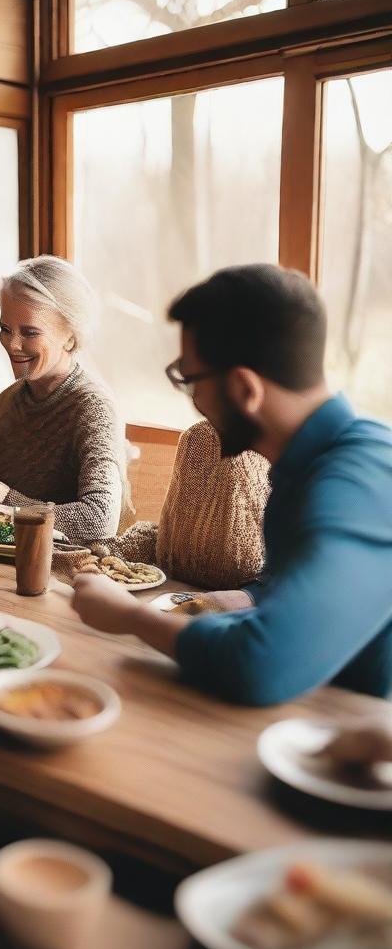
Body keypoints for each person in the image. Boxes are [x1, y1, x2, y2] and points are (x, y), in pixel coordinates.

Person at [72, 263, 392, 705]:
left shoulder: (353, 487)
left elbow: (263, 665)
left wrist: (131, 617)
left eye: (190, 380)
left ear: (245, 388)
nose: (194, 402)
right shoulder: (315, 463)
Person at [0, 255, 128, 542]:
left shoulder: (93, 407)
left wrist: (10, 501)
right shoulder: (8, 399)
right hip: (0, 554)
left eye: (30, 333)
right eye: (5, 329)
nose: (12, 344)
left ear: (70, 338)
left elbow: (99, 520)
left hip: (66, 569)